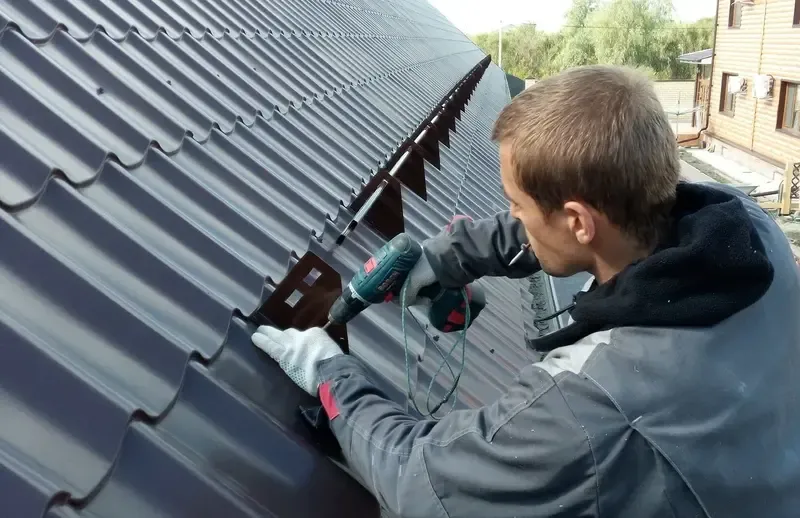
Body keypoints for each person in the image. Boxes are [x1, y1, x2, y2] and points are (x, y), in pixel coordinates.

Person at [251, 65, 800, 517]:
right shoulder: (753, 233)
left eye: (516, 203)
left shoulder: (589, 405)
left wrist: (330, 374)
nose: (512, 214)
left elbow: (419, 480)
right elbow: (551, 224)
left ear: (578, 221)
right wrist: (450, 257)